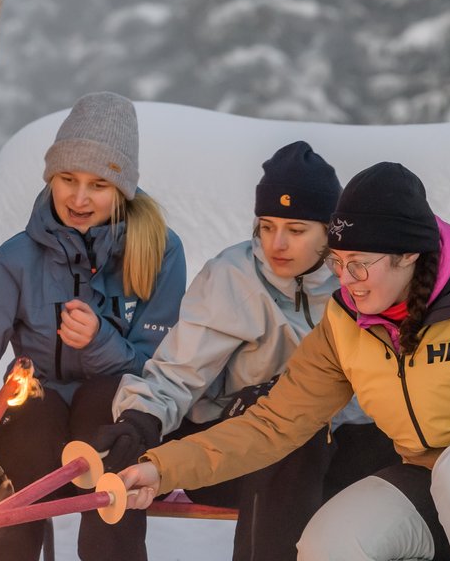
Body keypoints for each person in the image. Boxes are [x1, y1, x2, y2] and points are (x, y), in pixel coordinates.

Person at [119, 162, 450, 561]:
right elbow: (274, 424)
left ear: (409, 254)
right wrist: (160, 468)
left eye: (361, 264)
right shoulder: (346, 323)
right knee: (330, 542)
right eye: (340, 264)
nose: (347, 281)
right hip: (438, 478)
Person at [88, 141, 398, 561]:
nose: (277, 243)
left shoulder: (356, 285)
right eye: (267, 226)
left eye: (296, 229)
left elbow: (374, 390)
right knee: (287, 418)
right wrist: (141, 419)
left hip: (325, 452)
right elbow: (179, 370)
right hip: (224, 453)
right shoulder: (232, 277)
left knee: (378, 445)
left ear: (330, 231)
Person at [0, 92, 186, 560]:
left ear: (121, 189)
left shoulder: (159, 253)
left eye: (98, 184)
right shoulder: (16, 261)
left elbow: (161, 374)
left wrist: (102, 342)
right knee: (28, 414)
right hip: (40, 423)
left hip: (115, 421)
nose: (78, 198)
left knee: (108, 407)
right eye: (67, 179)